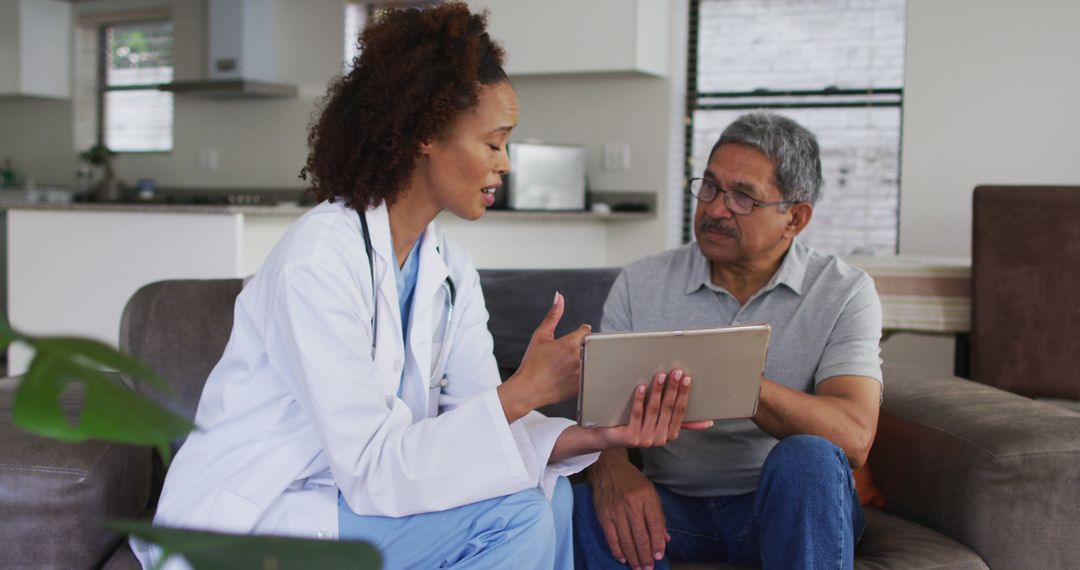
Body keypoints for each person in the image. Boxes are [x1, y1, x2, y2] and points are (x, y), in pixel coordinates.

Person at [134, 4, 710, 569]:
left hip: (348, 501)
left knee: (550, 497)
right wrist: (526, 389)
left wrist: (602, 435)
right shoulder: (316, 261)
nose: (504, 164)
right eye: (493, 142)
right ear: (425, 134)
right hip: (266, 509)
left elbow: (480, 424)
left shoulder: (448, 268)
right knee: (514, 516)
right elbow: (373, 466)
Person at [573, 112, 884, 570]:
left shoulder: (844, 291)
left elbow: (854, 438)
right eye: (711, 187)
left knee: (809, 460)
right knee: (577, 503)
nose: (717, 208)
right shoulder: (641, 283)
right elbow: (598, 413)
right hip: (671, 509)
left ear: (794, 218)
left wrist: (730, 377)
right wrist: (613, 470)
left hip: (781, 508)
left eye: (743, 197)